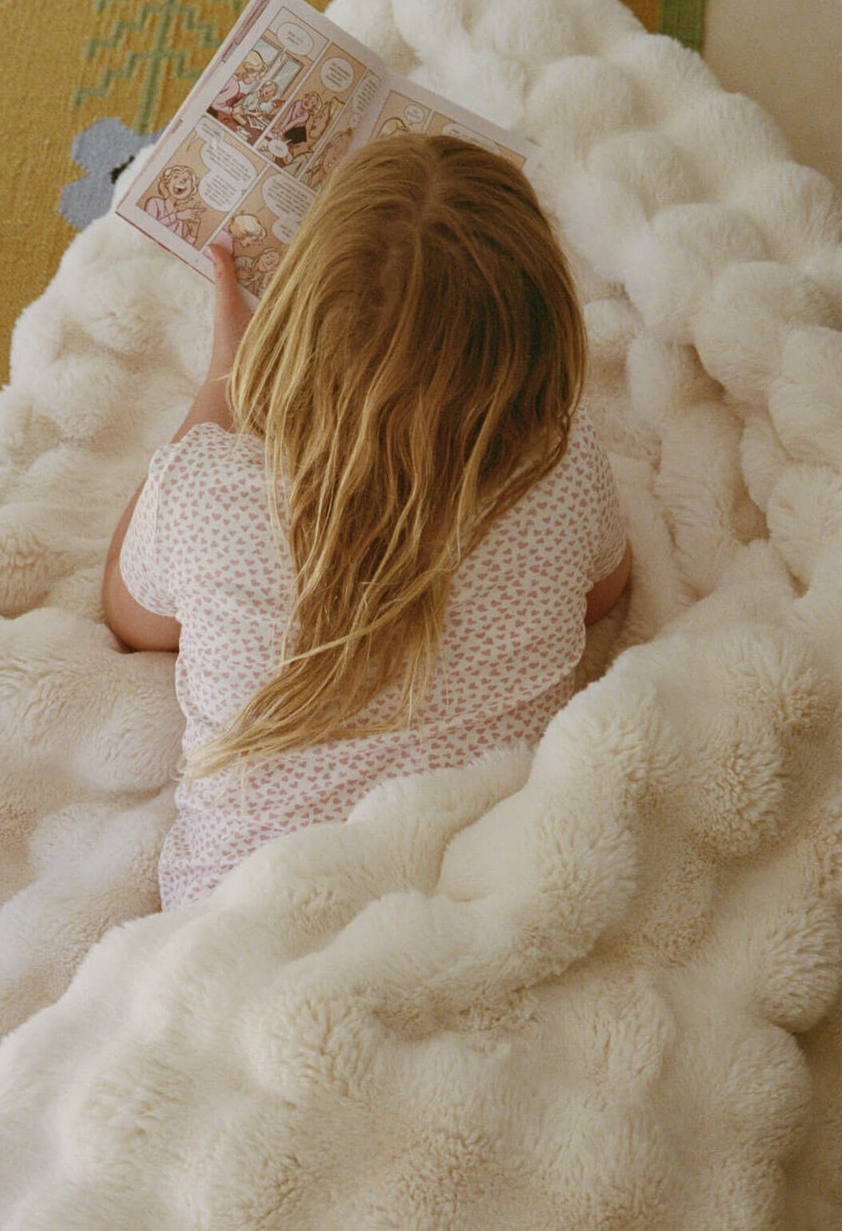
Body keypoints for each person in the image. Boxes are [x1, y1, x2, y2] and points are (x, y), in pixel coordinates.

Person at [101, 134, 632, 912]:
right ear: (544, 347)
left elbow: (131, 616)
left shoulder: (208, 492)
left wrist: (224, 377)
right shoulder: (562, 464)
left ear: (292, 340)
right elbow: (601, 595)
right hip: (478, 908)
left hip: (237, 928)